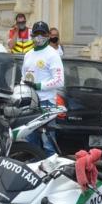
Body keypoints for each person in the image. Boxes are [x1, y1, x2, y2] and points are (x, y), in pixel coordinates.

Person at [21, 21, 64, 156]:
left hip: (46, 104)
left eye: (42, 34)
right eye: (36, 34)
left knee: (48, 143)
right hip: (30, 105)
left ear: (47, 36)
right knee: (30, 143)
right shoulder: (28, 54)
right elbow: (23, 77)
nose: (39, 37)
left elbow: (59, 81)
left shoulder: (52, 54)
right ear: (32, 35)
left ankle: (52, 174)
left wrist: (39, 86)